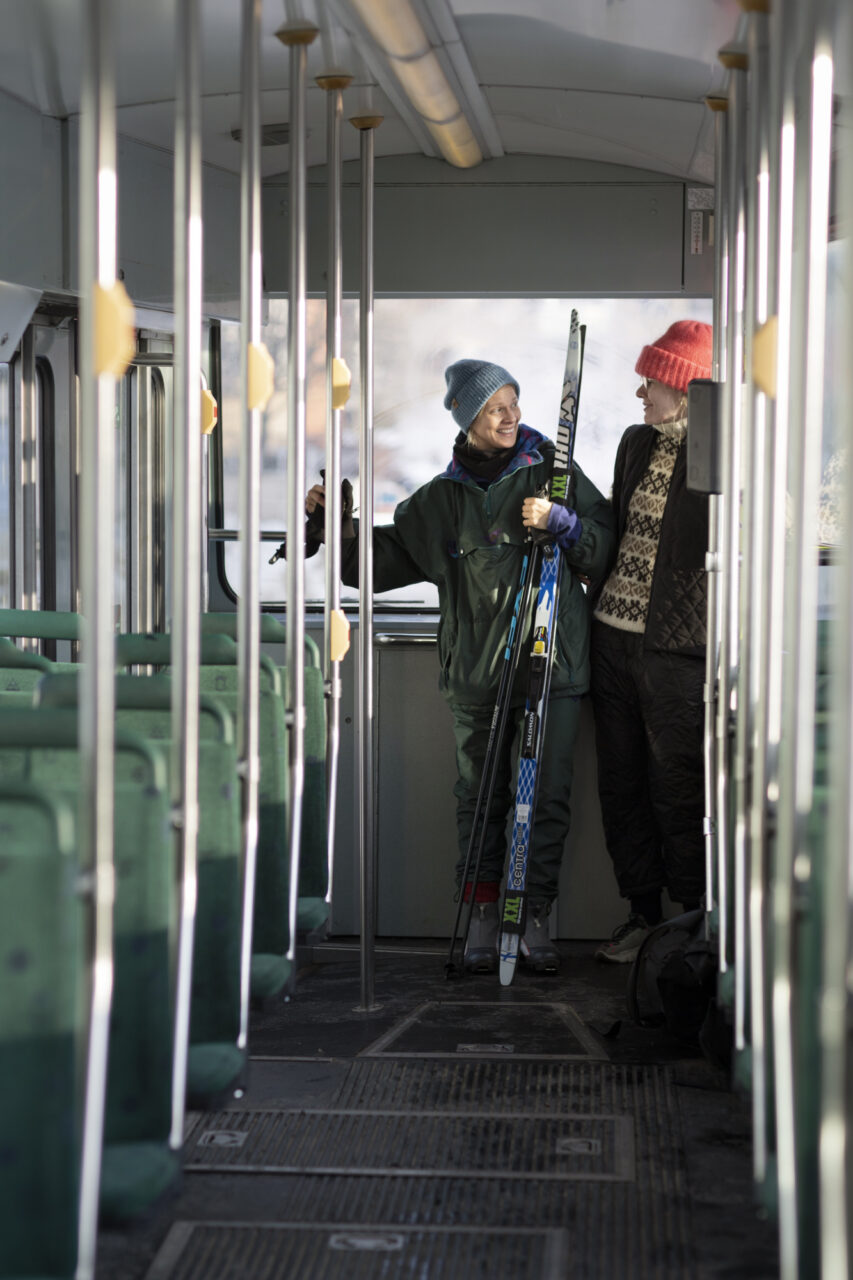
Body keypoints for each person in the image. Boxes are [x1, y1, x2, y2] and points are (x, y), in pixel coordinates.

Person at [306, 358, 614, 974]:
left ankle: (534, 918)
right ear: (468, 419)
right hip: (476, 674)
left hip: (550, 667)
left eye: (513, 403)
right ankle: (481, 916)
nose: (511, 416)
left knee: (545, 799)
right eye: (495, 407)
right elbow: (376, 562)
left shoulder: (554, 476)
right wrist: (336, 528)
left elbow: (605, 545)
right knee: (479, 799)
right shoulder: (442, 501)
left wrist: (566, 525)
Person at [588, 319, 713, 963]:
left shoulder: (721, 451)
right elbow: (614, 525)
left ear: (684, 388)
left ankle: (687, 927)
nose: (641, 392)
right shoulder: (636, 443)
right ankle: (641, 913)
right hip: (611, 635)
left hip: (675, 647)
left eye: (652, 380)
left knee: (677, 785)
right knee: (621, 781)